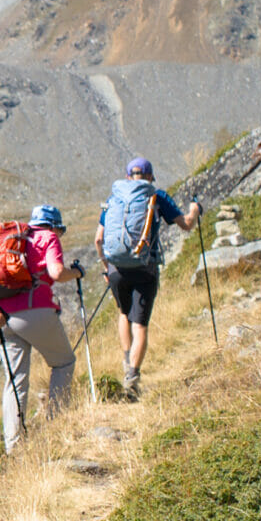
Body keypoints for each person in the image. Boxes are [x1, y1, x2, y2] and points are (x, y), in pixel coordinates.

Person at [98, 158, 200, 400]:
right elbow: (185, 224)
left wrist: (106, 268)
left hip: (116, 269)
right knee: (140, 324)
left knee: (124, 314)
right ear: (150, 177)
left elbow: (98, 239)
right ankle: (132, 377)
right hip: (145, 267)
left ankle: (126, 361)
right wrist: (195, 209)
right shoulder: (157, 196)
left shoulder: (114, 198)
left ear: (127, 176)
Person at [0, 204, 85, 448]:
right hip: (35, 311)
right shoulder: (48, 236)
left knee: (15, 380)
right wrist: (75, 273)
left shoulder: (15, 239)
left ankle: (14, 445)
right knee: (64, 362)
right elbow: (56, 272)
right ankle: (56, 424)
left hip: (1, 316)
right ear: (54, 225)